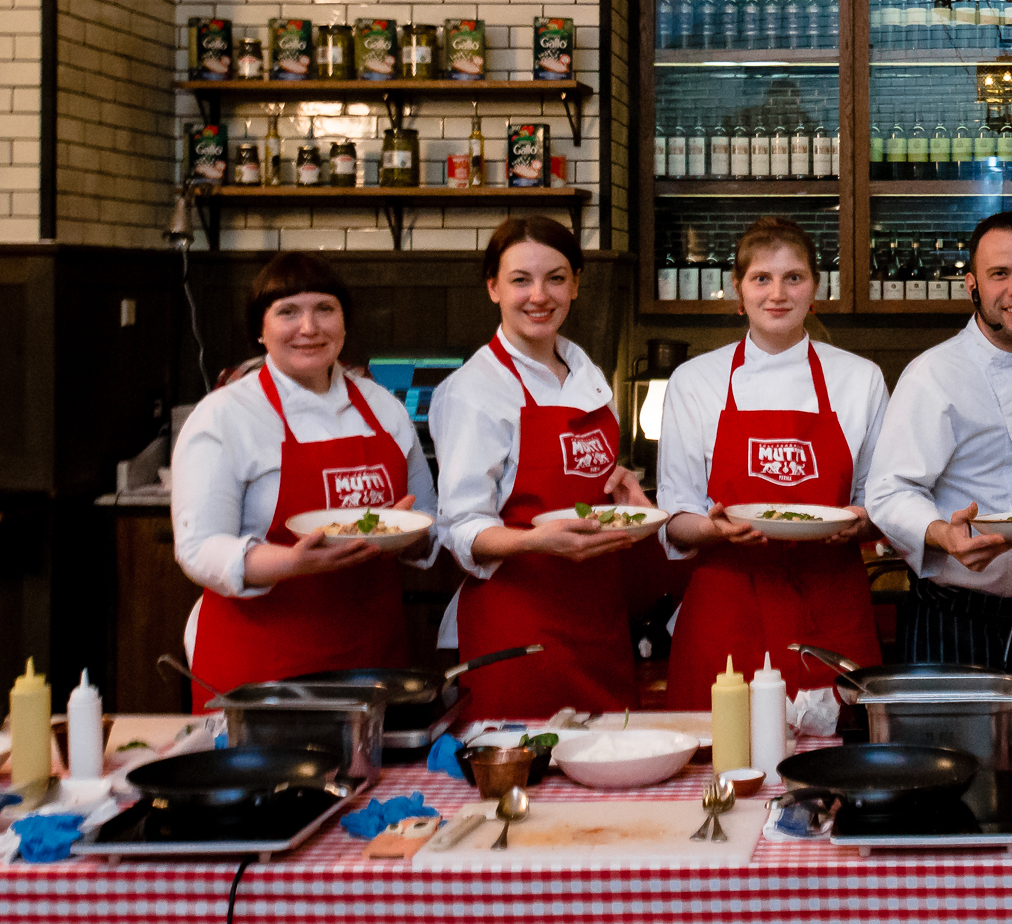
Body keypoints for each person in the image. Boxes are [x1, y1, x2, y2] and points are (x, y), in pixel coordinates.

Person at [172, 253, 437, 708]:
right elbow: (198, 549)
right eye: (288, 312)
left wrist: (405, 536)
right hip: (262, 667)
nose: (309, 328)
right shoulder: (225, 415)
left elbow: (426, 520)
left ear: (344, 323)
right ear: (260, 329)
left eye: (325, 309)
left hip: (372, 663)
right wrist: (291, 563)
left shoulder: (383, 407)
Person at [656, 217, 891, 707]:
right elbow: (676, 519)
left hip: (831, 607)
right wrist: (716, 529)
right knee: (720, 751)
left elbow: (881, 502)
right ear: (738, 291)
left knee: (839, 749)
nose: (777, 294)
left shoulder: (861, 379)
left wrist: (863, 521)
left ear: (815, 288)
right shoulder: (694, 381)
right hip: (727, 611)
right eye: (761, 278)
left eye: (793, 277)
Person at [864, 211, 1012, 712]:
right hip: (956, 622)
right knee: (952, 761)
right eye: (999, 274)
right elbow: (888, 490)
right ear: (971, 285)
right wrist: (942, 534)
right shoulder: (933, 374)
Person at [432, 217, 652, 718]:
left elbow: (584, 477)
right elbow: (460, 527)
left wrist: (621, 490)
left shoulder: (586, 372)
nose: (539, 296)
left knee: (612, 757)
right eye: (520, 280)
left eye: (555, 278)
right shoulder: (473, 390)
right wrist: (535, 541)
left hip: (597, 617)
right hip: (518, 624)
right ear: (493, 288)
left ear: (575, 284)